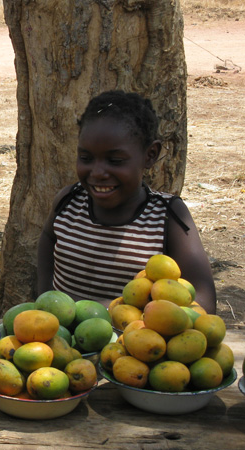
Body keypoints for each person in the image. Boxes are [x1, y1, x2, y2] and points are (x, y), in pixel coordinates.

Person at [37, 90, 216, 314]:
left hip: (135, 343)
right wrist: (44, 296)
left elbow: (204, 300)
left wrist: (136, 315)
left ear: (150, 155)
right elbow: (47, 239)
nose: (98, 172)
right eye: (86, 158)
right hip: (66, 343)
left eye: (115, 161)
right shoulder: (68, 202)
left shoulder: (167, 216)